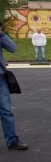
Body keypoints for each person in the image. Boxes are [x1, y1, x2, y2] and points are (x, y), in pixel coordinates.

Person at [0, 22, 28, 150]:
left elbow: (13, 48)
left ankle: (12, 140)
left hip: (1, 78)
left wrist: (2, 34)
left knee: (6, 110)